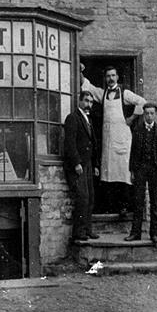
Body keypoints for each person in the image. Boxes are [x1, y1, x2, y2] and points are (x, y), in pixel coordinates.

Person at [81, 64, 145, 218]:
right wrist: (80, 71)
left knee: (123, 173)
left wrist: (132, 118)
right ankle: (111, 206)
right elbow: (87, 86)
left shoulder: (124, 93)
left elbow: (142, 101)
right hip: (108, 139)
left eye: (113, 76)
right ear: (105, 78)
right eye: (108, 76)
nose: (110, 79)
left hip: (122, 138)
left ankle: (124, 207)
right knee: (108, 173)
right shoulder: (102, 94)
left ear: (117, 77)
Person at [125, 102, 157, 243]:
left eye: (152, 113)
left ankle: (154, 234)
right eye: (147, 113)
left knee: (154, 202)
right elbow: (133, 151)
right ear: (143, 114)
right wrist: (132, 171)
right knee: (138, 201)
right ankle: (135, 233)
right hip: (140, 169)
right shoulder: (138, 130)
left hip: (155, 169)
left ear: (155, 114)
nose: (149, 116)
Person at [64, 90, 100, 242]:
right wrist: (77, 163)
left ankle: (88, 229)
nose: (88, 104)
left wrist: (95, 164)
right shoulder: (73, 118)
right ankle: (78, 232)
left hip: (88, 164)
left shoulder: (88, 119)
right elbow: (70, 143)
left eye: (91, 102)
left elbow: (93, 144)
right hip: (78, 165)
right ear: (79, 101)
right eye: (86, 101)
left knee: (90, 197)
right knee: (82, 197)